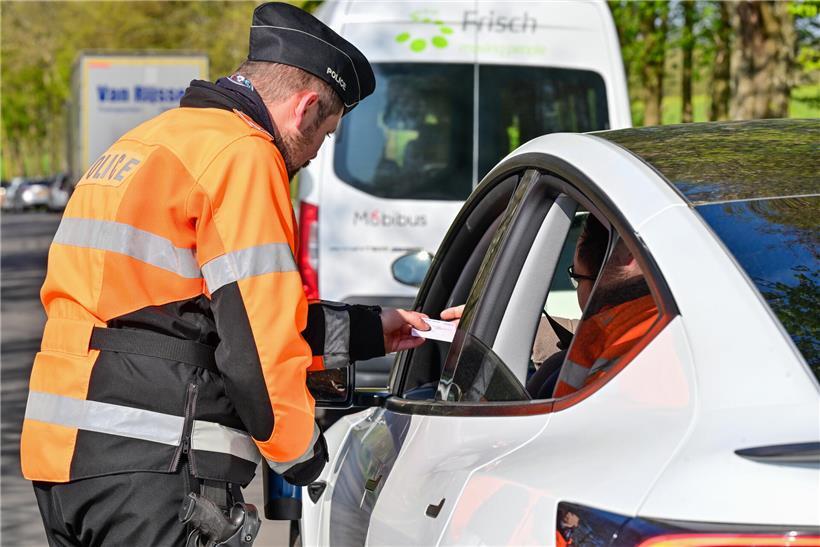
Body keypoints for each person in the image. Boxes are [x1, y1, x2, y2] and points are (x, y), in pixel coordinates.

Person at [21, 3, 428, 545]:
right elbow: (256, 346)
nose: (311, 154)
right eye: (325, 134)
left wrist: (374, 329)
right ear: (306, 108)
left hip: (65, 461)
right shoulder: (244, 155)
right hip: (155, 464)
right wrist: (306, 457)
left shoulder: (151, 141)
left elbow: (193, 317)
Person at [441, 214, 657, 398]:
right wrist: (500, 326)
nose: (578, 290)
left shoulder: (570, 367)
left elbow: (513, 431)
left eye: (577, 277)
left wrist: (476, 350)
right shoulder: (671, 325)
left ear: (630, 258)